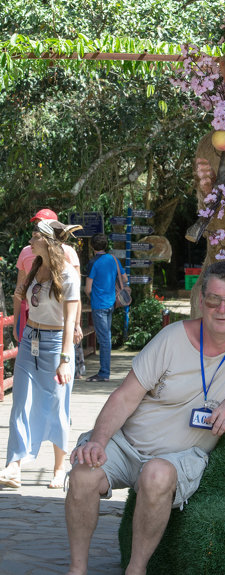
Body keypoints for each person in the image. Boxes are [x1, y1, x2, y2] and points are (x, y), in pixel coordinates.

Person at [44, 261, 225, 575]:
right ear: (201, 300)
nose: (222, 309)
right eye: (213, 300)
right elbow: (125, 395)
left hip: (180, 456)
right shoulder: (172, 338)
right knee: (82, 473)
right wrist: (98, 440)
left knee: (157, 473)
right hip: (128, 443)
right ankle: (77, 572)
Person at [0, 220, 80, 490]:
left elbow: (69, 321)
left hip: (56, 343)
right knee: (20, 402)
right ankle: (14, 465)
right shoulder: (34, 268)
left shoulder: (68, 274)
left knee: (58, 405)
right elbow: (22, 301)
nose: (30, 241)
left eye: (35, 236)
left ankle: (59, 468)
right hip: (29, 342)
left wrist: (66, 358)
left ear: (48, 241)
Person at [13, 208, 82, 346]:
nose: (38, 226)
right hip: (31, 319)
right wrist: (17, 323)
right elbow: (19, 292)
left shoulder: (68, 252)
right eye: (36, 222)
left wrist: (77, 323)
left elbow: (75, 294)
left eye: (42, 223)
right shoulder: (26, 251)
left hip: (58, 326)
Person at [85, 233, 128, 382]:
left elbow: (88, 289)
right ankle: (104, 371)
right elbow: (125, 278)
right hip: (111, 303)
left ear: (92, 247)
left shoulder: (93, 263)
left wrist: (93, 297)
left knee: (104, 339)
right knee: (106, 338)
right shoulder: (113, 259)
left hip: (99, 305)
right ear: (105, 245)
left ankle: (104, 373)